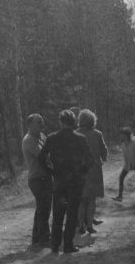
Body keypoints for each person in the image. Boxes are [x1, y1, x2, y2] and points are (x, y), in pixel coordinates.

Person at [38, 109, 93, 254]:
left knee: (58, 214)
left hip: (59, 181)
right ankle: (68, 245)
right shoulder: (80, 139)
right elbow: (90, 159)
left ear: (60, 122)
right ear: (74, 122)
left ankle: (55, 246)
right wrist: (82, 172)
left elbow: (41, 157)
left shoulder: (52, 138)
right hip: (75, 182)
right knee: (72, 214)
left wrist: (51, 171)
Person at [22, 113, 52, 249]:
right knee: (43, 208)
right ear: (29, 125)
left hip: (44, 177)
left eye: (42, 122)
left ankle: (37, 237)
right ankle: (44, 238)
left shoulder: (41, 136)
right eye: (38, 122)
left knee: (43, 207)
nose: (42, 125)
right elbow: (44, 155)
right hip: (37, 179)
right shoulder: (29, 140)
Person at [76, 109, 108, 234]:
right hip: (94, 169)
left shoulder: (75, 134)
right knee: (91, 199)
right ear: (92, 121)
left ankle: (80, 226)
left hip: (79, 171)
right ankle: (89, 225)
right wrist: (103, 159)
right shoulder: (97, 134)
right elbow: (104, 150)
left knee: (81, 199)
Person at [113, 127, 135, 202]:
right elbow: (125, 156)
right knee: (121, 177)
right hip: (128, 164)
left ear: (127, 135)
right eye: (121, 134)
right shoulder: (123, 144)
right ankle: (120, 196)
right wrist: (127, 165)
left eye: (122, 135)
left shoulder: (134, 143)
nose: (121, 136)